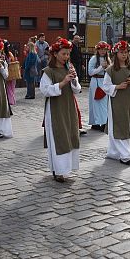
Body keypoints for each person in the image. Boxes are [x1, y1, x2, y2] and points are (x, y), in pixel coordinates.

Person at [39, 38, 81, 182]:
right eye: (64, 54)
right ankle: (58, 170)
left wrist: (74, 80)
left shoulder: (68, 68)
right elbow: (44, 90)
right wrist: (62, 83)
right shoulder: (48, 71)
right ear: (55, 54)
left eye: (68, 54)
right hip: (55, 109)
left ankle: (67, 168)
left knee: (70, 135)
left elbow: (77, 90)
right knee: (59, 137)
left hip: (69, 106)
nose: (66, 57)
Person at [102, 40, 130, 165]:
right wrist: (117, 87)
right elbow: (106, 86)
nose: (124, 55)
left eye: (126, 52)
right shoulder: (111, 70)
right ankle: (126, 155)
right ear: (116, 54)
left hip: (128, 102)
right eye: (121, 52)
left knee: (125, 125)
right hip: (116, 102)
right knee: (118, 126)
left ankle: (114, 152)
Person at [88, 41, 111, 131]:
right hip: (96, 81)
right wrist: (101, 67)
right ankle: (96, 122)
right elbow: (90, 72)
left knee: (104, 103)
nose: (102, 51)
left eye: (104, 49)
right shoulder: (94, 59)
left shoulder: (108, 59)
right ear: (97, 50)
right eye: (101, 49)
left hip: (105, 81)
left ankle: (103, 122)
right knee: (97, 102)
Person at [2, 39, 17, 106]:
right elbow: (13, 61)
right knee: (12, 86)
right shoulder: (10, 54)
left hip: (6, 72)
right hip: (13, 71)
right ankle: (12, 99)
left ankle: (10, 100)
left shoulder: (3, 54)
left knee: (8, 87)